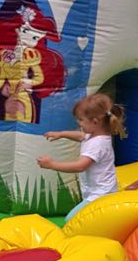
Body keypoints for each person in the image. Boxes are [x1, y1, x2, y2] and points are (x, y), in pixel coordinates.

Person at [38, 93, 127, 221]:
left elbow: (80, 166)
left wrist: (52, 165)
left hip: (100, 195)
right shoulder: (95, 135)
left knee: (72, 220)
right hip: (98, 192)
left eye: (80, 120)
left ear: (95, 121)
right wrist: (61, 134)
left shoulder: (97, 144)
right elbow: (80, 136)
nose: (78, 122)